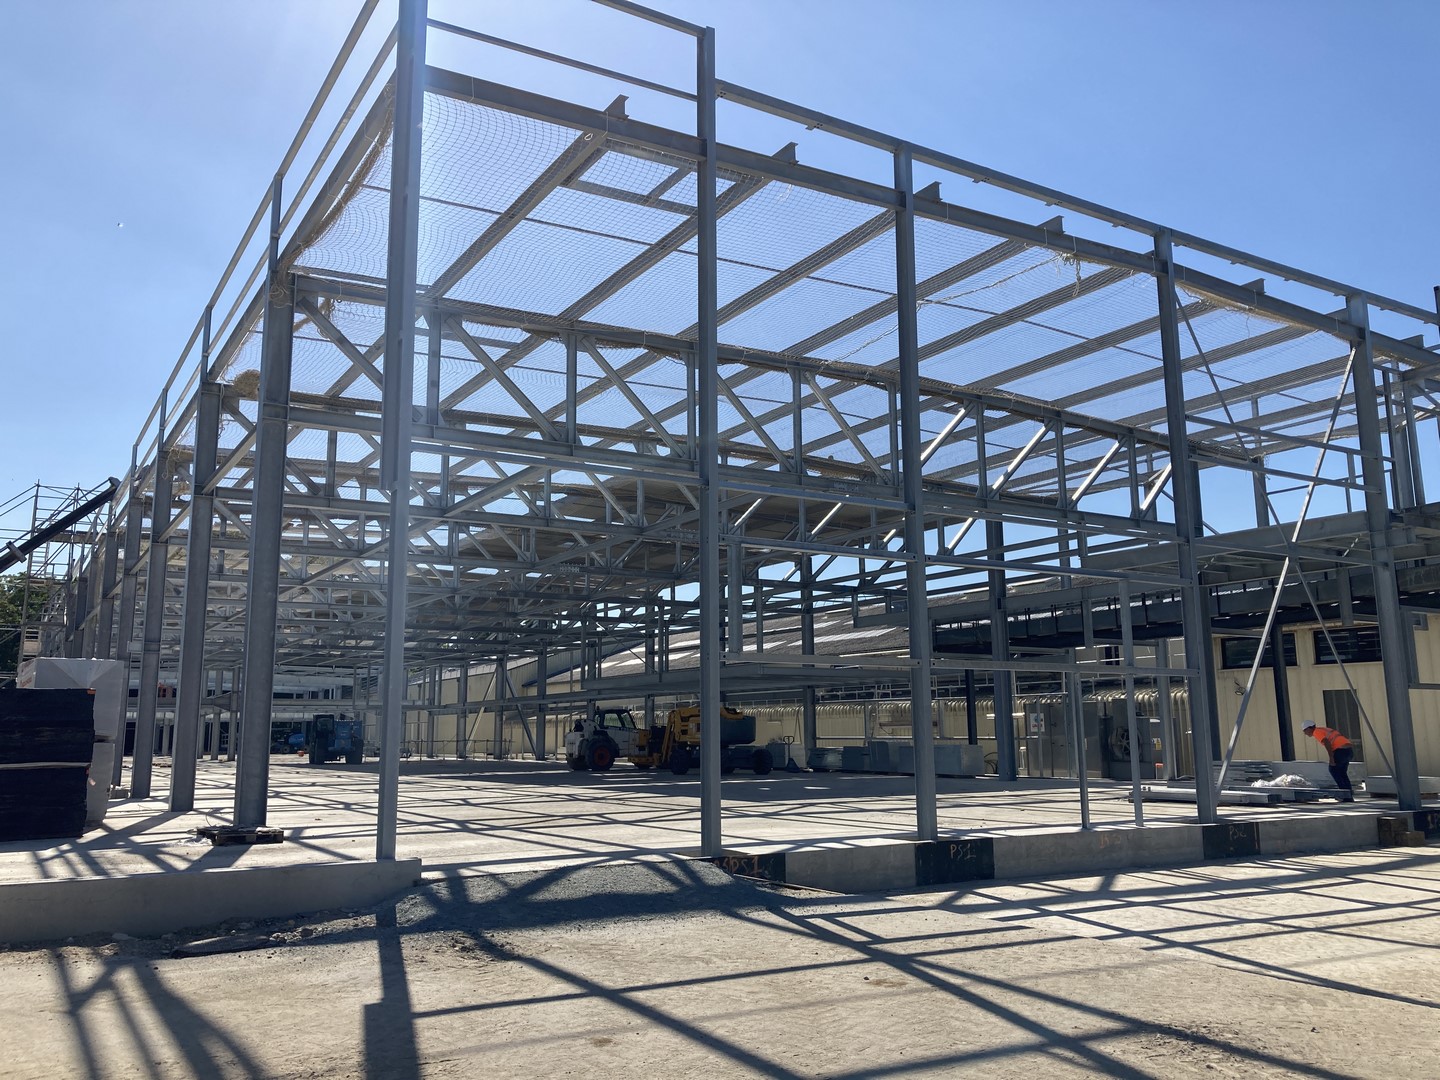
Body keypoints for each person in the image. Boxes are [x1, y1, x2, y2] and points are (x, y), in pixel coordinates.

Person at [1302, 721, 1355, 801]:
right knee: (1342, 773)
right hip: (1348, 751)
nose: (1305, 733)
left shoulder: (1316, 731)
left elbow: (1326, 742)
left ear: (1309, 728)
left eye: (1305, 731)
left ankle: (1345, 795)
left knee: (1333, 770)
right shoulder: (1323, 729)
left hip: (1340, 750)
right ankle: (1348, 795)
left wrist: (1331, 757)